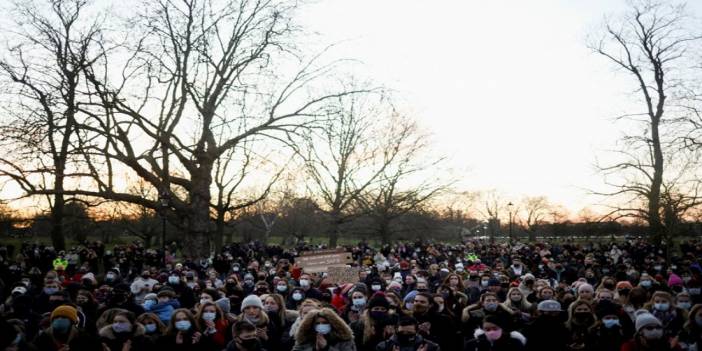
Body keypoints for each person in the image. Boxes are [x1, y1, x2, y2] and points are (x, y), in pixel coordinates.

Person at [31, 305, 103, 350]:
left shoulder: (83, 337)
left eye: (64, 317)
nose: (59, 319)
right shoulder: (42, 337)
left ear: (72, 322)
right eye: (57, 317)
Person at [375, 316, 439, 351]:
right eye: (402, 332)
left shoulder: (431, 347)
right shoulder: (383, 347)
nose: (405, 334)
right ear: (396, 330)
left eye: (409, 333)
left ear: (416, 331)